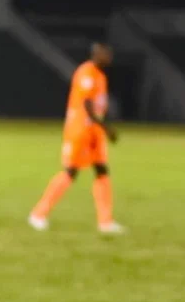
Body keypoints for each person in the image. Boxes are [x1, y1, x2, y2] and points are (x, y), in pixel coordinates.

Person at [29, 42, 123, 234]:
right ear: (96, 54)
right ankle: (38, 214)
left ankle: (105, 221)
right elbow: (87, 105)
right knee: (70, 171)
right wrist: (106, 128)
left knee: (101, 170)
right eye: (106, 53)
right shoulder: (86, 73)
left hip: (93, 130)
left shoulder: (100, 76)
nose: (109, 57)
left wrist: (101, 129)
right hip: (79, 129)